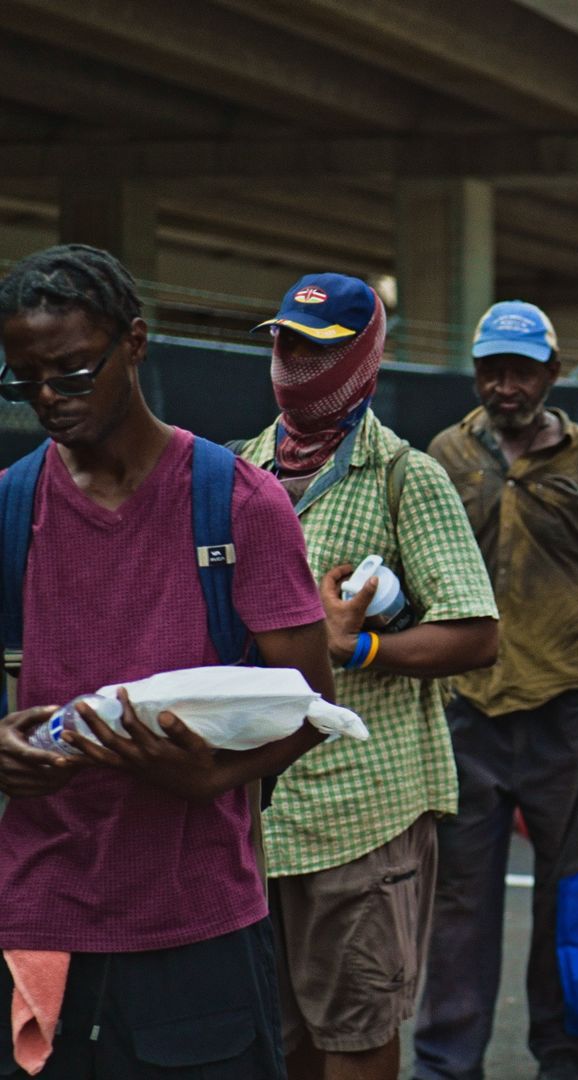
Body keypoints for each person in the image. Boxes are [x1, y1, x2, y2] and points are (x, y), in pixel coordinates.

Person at [0, 244, 335, 1078]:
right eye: (22, 379)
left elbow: (314, 705)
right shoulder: (11, 506)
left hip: (199, 929)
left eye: (73, 373)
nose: (48, 398)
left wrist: (215, 778)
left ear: (136, 344)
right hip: (40, 923)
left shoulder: (237, 503)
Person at [239, 274, 500, 1080]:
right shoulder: (238, 470)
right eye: (283, 341)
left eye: (314, 348)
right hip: (256, 812)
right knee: (273, 1043)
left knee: (353, 1033)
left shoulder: (403, 476)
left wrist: (359, 650)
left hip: (362, 809)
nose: (290, 361)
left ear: (362, 357)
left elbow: (477, 632)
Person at [416, 301, 578, 1080]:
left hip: (564, 712)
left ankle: (563, 1054)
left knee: (566, 897)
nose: (505, 387)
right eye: (492, 372)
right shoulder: (445, 454)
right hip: (468, 709)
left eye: (521, 371)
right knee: (461, 899)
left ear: (551, 374)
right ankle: (446, 1063)